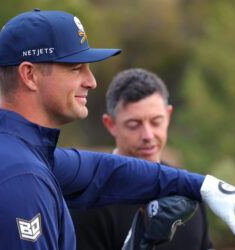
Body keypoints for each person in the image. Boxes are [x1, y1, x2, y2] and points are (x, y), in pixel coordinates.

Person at [0, 9, 235, 250]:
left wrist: (203, 184)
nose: (91, 81)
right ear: (30, 75)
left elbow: (106, 172)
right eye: (75, 68)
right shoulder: (19, 179)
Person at [70, 68, 214, 250]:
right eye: (133, 125)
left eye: (156, 121)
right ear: (110, 124)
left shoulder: (189, 193)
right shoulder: (87, 203)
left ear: (168, 116)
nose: (147, 134)